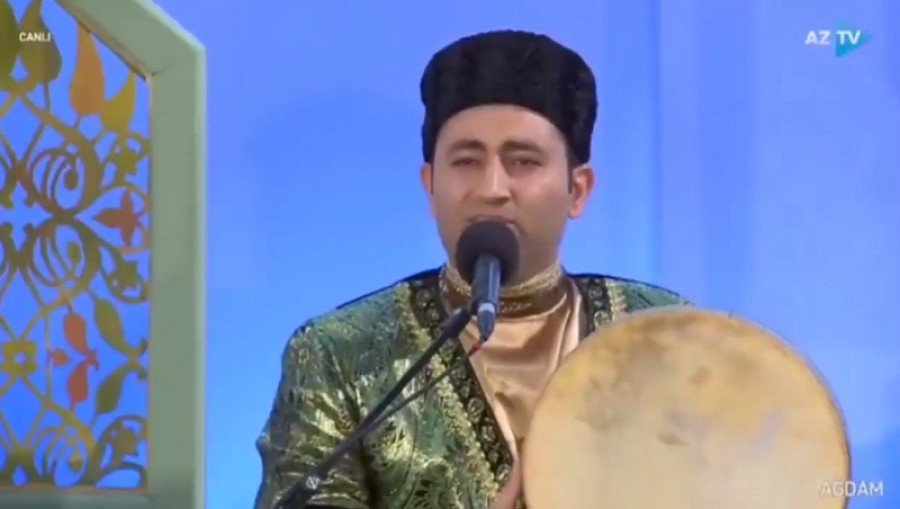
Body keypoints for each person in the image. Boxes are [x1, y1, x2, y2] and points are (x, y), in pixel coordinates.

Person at [254, 30, 688, 509]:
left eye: (523, 161)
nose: (492, 188)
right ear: (430, 184)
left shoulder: (667, 335)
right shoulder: (339, 353)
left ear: (578, 190)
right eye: (466, 161)